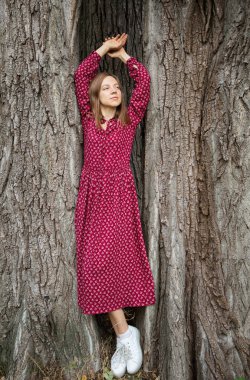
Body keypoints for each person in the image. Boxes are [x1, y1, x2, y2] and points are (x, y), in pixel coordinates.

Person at [74, 33, 156, 377]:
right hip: (93, 198)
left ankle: (126, 337)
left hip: (119, 197)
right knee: (92, 268)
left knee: (118, 263)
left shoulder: (128, 119)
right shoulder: (88, 119)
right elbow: (81, 76)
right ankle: (126, 334)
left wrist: (123, 58)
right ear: (95, 97)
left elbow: (145, 82)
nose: (114, 90)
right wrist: (103, 51)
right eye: (107, 86)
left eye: (116, 87)